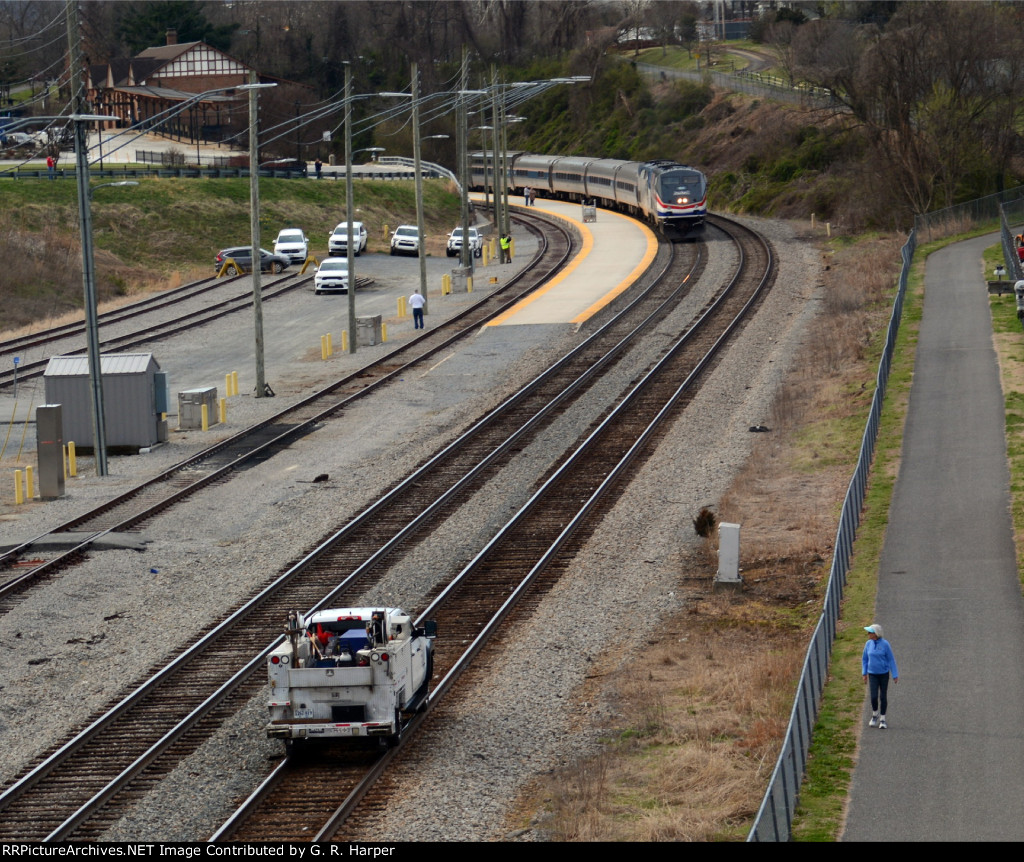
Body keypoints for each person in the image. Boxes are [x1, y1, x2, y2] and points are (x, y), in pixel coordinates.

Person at [862, 623, 899, 729]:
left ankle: (882, 719)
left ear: (876, 634)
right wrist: (864, 673)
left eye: (870, 632)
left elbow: (891, 659)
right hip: (872, 674)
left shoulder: (885, 644)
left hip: (883, 674)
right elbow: (865, 659)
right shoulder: (868, 644)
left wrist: (895, 674)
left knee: (883, 696)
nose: (868, 634)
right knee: (873, 697)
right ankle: (875, 714)